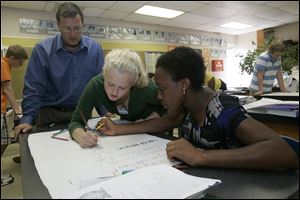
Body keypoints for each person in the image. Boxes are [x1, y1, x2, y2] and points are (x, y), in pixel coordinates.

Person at [99, 46, 298, 171]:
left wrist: (200, 156)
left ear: (183, 85)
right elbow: (161, 123)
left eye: (162, 89)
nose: (159, 96)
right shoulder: (186, 107)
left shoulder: (222, 109)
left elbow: (283, 152)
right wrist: (118, 129)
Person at [15, 2, 104, 136]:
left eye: (77, 28)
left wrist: (106, 114)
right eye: (67, 29)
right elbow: (34, 88)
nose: (73, 34)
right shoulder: (42, 50)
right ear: (58, 26)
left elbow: (100, 85)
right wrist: (27, 119)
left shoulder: (95, 49)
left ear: (83, 26)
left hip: (82, 113)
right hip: (50, 115)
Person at [69, 49, 165, 148]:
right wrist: (80, 135)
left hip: (152, 135)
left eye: (123, 88)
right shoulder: (96, 85)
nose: (114, 92)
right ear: (104, 74)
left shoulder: (146, 88)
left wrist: (148, 119)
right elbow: (76, 121)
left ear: (133, 83)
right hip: (127, 137)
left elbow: (167, 109)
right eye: (110, 84)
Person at [1, 45, 28, 186]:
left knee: (4, 142)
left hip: (3, 108)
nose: (21, 65)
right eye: (20, 62)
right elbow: (7, 89)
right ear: (12, 58)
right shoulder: (3, 64)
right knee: (3, 142)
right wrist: (18, 110)